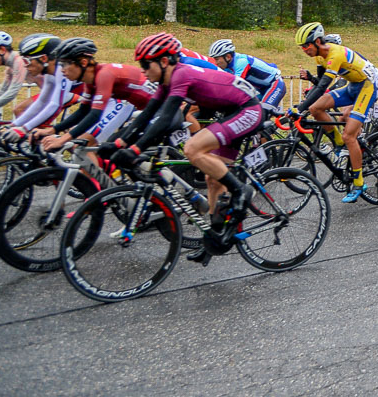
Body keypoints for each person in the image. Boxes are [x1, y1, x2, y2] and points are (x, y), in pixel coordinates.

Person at [104, 32, 265, 266]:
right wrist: (119, 143)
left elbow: (166, 117)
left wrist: (136, 150)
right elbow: (148, 115)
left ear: (164, 61)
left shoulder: (181, 74)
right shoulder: (165, 83)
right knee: (212, 179)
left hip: (248, 109)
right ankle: (214, 239)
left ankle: (241, 191)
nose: (143, 71)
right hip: (231, 111)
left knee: (192, 148)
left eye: (145, 65)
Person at [292, 22, 378, 202]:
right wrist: (303, 107)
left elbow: (322, 87)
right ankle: (339, 144)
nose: (303, 49)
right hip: (353, 86)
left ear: (318, 41)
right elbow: (318, 86)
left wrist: (298, 108)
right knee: (315, 108)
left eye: (306, 45)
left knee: (349, 135)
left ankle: (359, 183)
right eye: (301, 47)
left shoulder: (335, 54)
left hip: (368, 86)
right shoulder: (319, 57)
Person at [44, 37, 155, 156]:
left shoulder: (104, 75)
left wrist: (61, 140)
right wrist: (53, 130)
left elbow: (95, 115)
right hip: (143, 108)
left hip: (155, 109)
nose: (62, 70)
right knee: (101, 150)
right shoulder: (90, 80)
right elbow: (83, 111)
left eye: (65, 64)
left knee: (90, 145)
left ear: (83, 63)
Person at [8, 34, 81, 136]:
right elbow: (41, 101)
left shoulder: (62, 69)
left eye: (27, 61)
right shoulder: (50, 72)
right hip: (89, 101)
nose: (25, 65)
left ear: (43, 58)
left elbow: (55, 104)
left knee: (84, 142)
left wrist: (24, 129)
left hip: (103, 101)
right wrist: (13, 125)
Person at [208, 39, 286, 111]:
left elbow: (234, 86)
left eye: (217, 59)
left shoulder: (241, 63)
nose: (215, 63)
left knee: (264, 111)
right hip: (259, 89)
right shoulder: (227, 66)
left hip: (275, 84)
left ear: (228, 57)